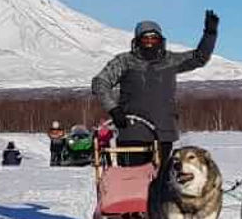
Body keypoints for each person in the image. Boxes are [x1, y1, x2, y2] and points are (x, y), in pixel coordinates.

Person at [91, 11, 218, 188]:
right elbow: (100, 82)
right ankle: (131, 214)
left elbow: (199, 58)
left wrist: (209, 34)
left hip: (163, 133)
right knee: (132, 182)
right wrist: (113, 109)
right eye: (146, 39)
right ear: (137, 41)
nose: (150, 43)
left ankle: (157, 214)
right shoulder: (125, 61)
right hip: (131, 133)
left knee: (162, 183)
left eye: (154, 38)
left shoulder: (170, 60)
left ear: (161, 40)